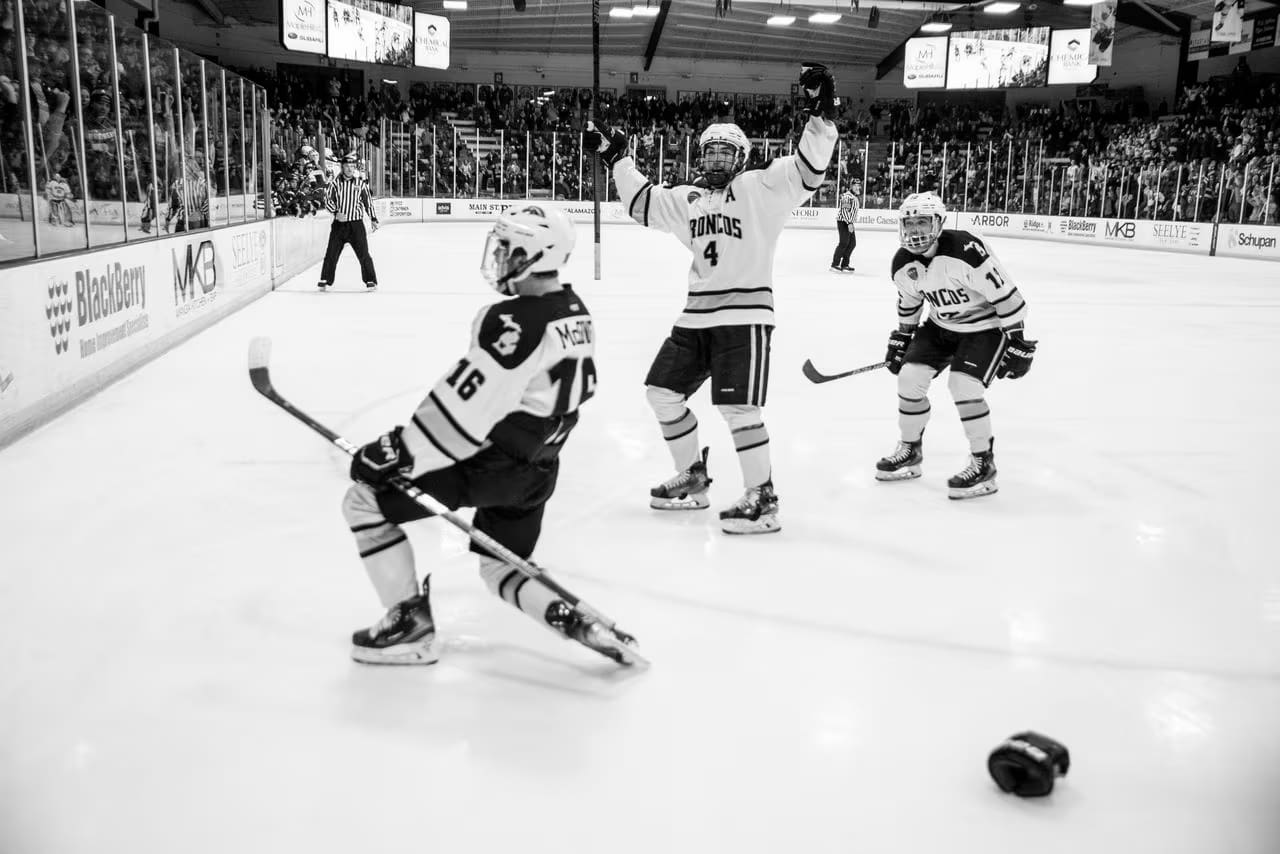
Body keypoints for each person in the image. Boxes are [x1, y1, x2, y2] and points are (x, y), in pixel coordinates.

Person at [340, 205, 620, 665]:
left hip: (491, 465)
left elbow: (462, 411)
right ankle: (566, 615)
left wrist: (397, 451)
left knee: (362, 501)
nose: (500, 257)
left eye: (508, 248)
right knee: (499, 565)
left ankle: (409, 628)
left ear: (532, 253)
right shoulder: (574, 311)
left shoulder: (513, 321)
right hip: (539, 471)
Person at [586, 64, 839, 534]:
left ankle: (762, 498)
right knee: (661, 394)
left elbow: (809, 168)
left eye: (726, 151)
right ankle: (693, 478)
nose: (717, 159)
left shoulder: (761, 187)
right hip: (695, 318)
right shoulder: (689, 199)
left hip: (745, 317)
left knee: (738, 409)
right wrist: (616, 157)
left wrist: (820, 115)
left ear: (741, 157)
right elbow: (643, 203)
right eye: (710, 151)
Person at [875, 191, 1037, 499]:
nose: (914, 232)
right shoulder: (902, 263)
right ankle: (910, 449)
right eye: (908, 225)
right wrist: (902, 337)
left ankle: (983, 463)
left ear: (939, 223)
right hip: (941, 326)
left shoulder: (965, 250)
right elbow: (910, 302)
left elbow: (1007, 297)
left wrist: (1017, 339)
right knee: (909, 378)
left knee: (963, 386)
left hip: (985, 328)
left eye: (922, 223)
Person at [318, 152, 379, 290]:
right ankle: (325, 279)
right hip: (339, 225)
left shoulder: (360, 184)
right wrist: (335, 212)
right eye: (347, 166)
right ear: (342, 167)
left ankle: (371, 280)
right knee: (331, 253)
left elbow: (368, 203)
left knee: (363, 254)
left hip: (356, 225)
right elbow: (327, 200)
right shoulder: (335, 184)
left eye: (352, 166)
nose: (350, 169)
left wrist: (373, 218)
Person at [830, 179, 859, 272]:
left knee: (852, 243)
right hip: (844, 222)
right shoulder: (847, 196)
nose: (858, 187)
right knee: (843, 243)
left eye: (859, 185)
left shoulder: (853, 196)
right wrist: (849, 223)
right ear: (851, 186)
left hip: (849, 222)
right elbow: (845, 211)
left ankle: (845, 265)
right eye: (855, 185)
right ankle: (834, 264)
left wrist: (851, 223)